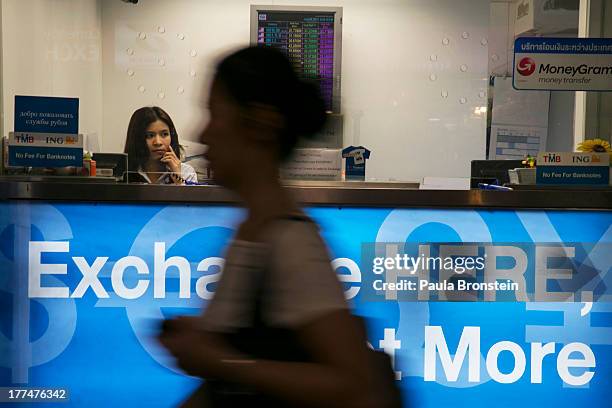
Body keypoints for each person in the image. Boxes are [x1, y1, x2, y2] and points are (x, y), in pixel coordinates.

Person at [158, 46, 398, 407]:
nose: (202, 133)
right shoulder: (253, 231)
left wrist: (219, 359)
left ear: (260, 124)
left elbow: (354, 384)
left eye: (214, 114)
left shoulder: (290, 242)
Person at [123, 106, 197, 184]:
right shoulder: (123, 173)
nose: (158, 142)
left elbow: (190, 196)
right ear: (136, 138)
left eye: (164, 134)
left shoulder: (187, 172)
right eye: (150, 135)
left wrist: (178, 180)